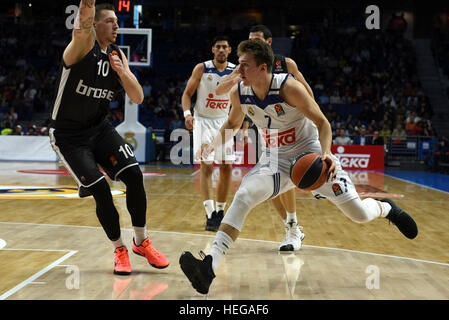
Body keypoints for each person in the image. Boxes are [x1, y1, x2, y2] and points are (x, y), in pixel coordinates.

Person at [179, 40, 418, 295]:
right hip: (275, 161)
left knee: (358, 214)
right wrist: (212, 145)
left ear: (262, 68)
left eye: (244, 65)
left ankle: (385, 208)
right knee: (244, 195)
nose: (238, 70)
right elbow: (232, 124)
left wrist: (326, 154)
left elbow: (323, 123)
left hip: (311, 158)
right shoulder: (239, 91)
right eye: (238, 64)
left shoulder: (289, 87)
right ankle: (209, 267)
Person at [49, 1, 169, 275]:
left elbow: (137, 96)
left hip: (99, 129)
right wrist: (88, 6)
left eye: (117, 21)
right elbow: (83, 20)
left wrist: (123, 72)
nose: (117, 25)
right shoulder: (81, 47)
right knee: (101, 190)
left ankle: (141, 241)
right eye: (111, 21)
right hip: (68, 135)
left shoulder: (116, 54)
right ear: (95, 24)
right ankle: (119, 249)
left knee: (135, 176)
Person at [215, 24, 314, 251]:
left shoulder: (285, 64)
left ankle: (293, 225)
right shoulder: (245, 67)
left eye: (257, 40)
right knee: (272, 187)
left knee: (293, 178)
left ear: (268, 43)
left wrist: (314, 117)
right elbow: (220, 90)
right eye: (250, 40)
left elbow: (308, 93)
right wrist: (237, 78)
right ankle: (292, 228)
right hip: (265, 131)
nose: (253, 44)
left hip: (292, 132)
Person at [181, 36, 236, 231]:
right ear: (213, 49)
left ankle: (220, 211)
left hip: (224, 120)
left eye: (225, 47)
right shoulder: (202, 68)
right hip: (203, 120)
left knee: (227, 167)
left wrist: (243, 124)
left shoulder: (235, 70)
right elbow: (187, 94)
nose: (221, 50)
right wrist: (187, 114)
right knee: (206, 167)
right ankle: (210, 213)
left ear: (230, 50)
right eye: (218, 47)